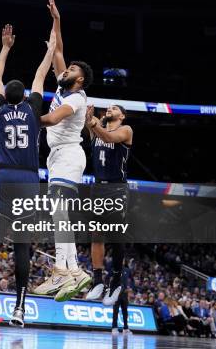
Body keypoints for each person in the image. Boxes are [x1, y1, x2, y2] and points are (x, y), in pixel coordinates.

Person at [0, 22, 56, 328]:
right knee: (22, 246)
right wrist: (49, 50)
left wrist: (5, 47)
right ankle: (19, 308)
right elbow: (40, 74)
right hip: (28, 180)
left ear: (5, 95)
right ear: (24, 96)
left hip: (2, 176)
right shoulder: (34, 109)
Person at [33, 0, 94, 301]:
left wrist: (28, 116)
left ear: (79, 80)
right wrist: (56, 18)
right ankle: (68, 271)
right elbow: (57, 48)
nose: (65, 68)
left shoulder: (75, 99)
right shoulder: (64, 85)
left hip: (70, 155)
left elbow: (51, 119)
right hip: (58, 158)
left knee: (59, 212)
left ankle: (71, 271)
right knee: (58, 214)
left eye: (71, 68)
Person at [84, 104, 133, 305]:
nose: (110, 109)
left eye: (115, 108)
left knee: (115, 237)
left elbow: (109, 138)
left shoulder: (126, 130)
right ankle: (97, 281)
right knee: (96, 235)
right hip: (98, 187)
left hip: (117, 188)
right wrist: (89, 120)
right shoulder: (97, 129)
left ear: (122, 115)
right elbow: (91, 129)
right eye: (109, 108)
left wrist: (94, 122)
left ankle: (115, 282)